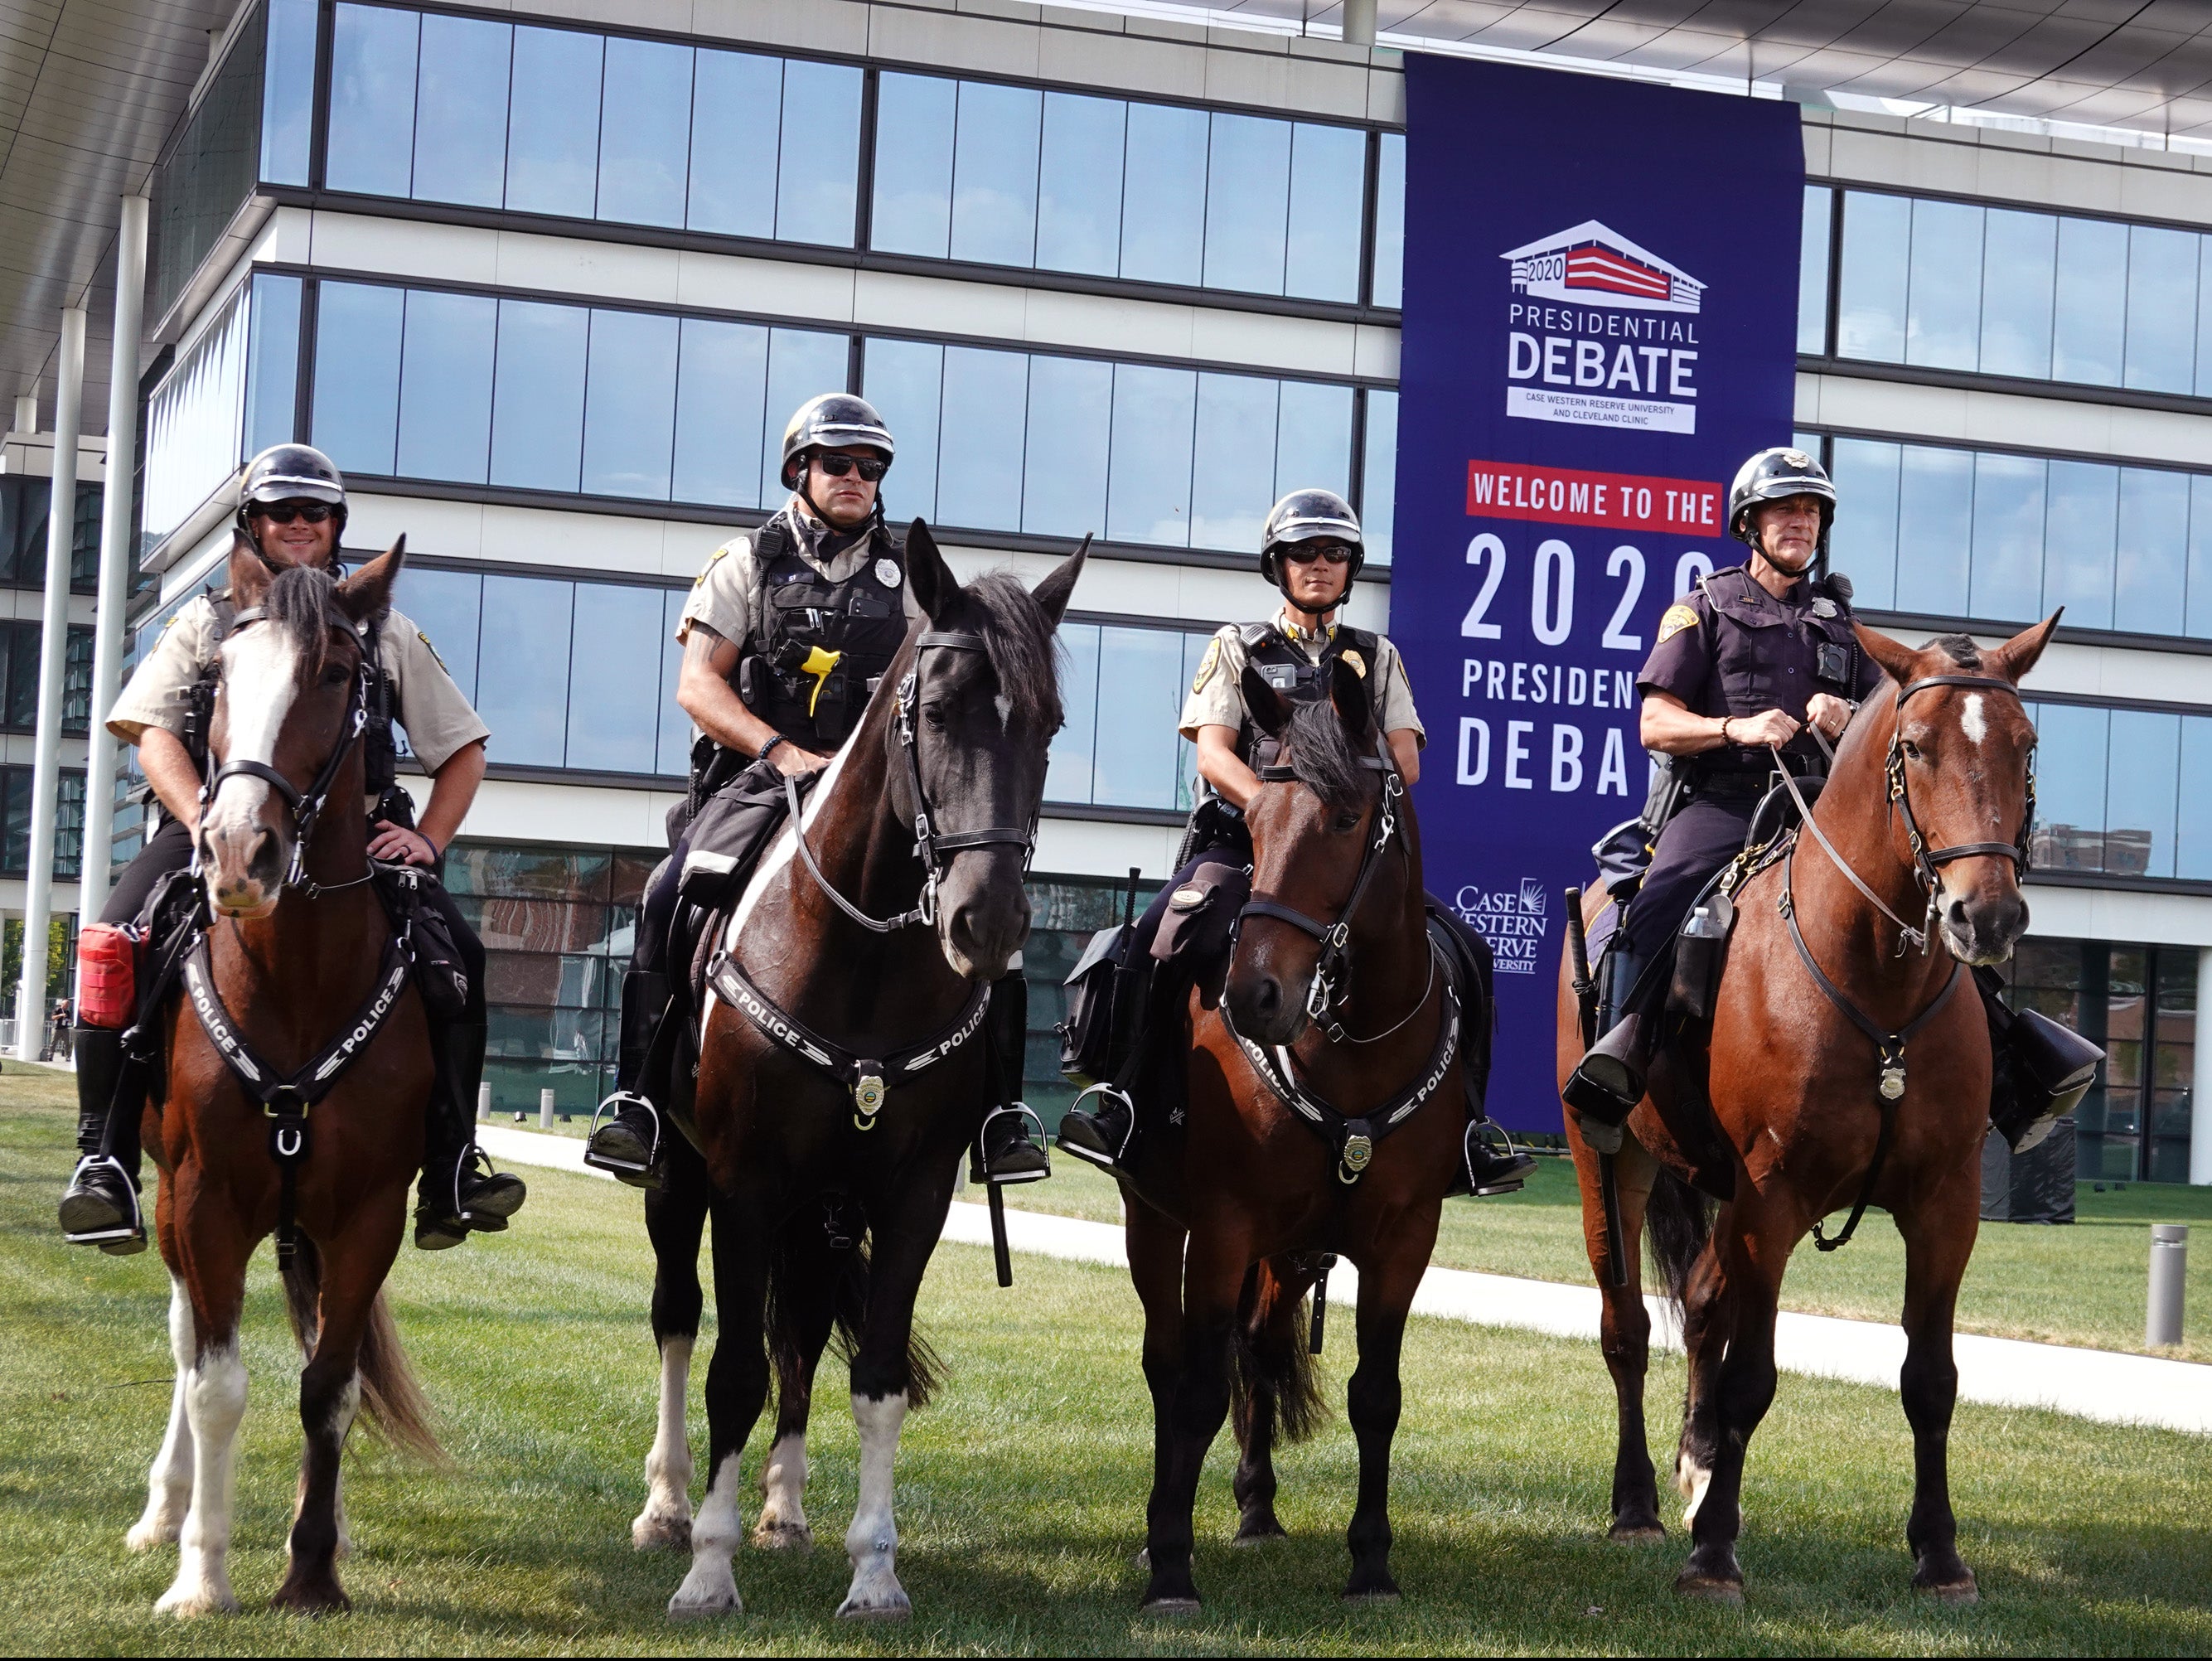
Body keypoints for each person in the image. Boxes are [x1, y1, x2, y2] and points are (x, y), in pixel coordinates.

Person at [56, 443, 525, 1255]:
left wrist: (426, 838)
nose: (300, 524)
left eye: (316, 511)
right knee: (111, 941)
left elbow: (462, 750)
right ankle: (103, 1160)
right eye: (282, 511)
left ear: (338, 525)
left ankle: (452, 1163)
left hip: (354, 839)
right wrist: (203, 814)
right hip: (221, 825)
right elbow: (154, 736)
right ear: (253, 525)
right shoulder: (205, 620)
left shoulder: (384, 629)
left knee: (462, 959)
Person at [585, 395, 1048, 1188]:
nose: (857, 478)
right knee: (667, 890)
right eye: (840, 463)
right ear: (799, 468)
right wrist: (778, 748)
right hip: (761, 779)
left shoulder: (913, 580)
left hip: (876, 799)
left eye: (871, 468)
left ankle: (1001, 1116)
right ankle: (638, 1101)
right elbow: (698, 685)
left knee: (983, 908)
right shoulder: (744, 563)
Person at [1055, 488, 1535, 1196]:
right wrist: (1275, 816)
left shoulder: (1376, 656)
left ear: (1350, 567)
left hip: (1345, 854)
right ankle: (1127, 1102)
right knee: (1160, 937)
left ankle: (1469, 1134)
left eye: (1334, 554)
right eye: (1302, 554)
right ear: (1275, 566)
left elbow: (1406, 761)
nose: (1319, 565)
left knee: (1467, 948)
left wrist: (1324, 817)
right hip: (1242, 848)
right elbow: (1213, 757)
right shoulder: (1235, 646)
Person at [1561, 447, 1891, 1129]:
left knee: (1922, 900)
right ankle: (1617, 1058)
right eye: (1783, 510)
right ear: (1749, 522)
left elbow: (1898, 723)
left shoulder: (1845, 625)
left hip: (1824, 811)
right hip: (1722, 803)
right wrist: (1734, 729)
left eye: (1810, 511)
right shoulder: (1702, 608)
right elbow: (1655, 723)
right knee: (1659, 902)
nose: (1799, 522)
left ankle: (2006, 1059)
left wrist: (1851, 715)